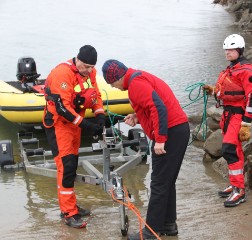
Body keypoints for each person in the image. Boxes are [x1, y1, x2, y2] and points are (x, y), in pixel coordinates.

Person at [102, 59, 190, 240]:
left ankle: (150, 232)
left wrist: (160, 140)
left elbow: (159, 108)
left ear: (118, 77)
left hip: (171, 133)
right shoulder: (138, 77)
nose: (115, 87)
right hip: (177, 130)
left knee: (158, 183)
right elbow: (152, 106)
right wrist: (137, 116)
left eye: (112, 83)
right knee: (166, 182)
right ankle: (168, 225)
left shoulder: (135, 85)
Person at [43, 45, 105, 228]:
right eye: (85, 66)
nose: (88, 71)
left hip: (75, 124)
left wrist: (100, 116)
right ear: (77, 59)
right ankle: (68, 213)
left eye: (91, 67)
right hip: (59, 124)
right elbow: (63, 109)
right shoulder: (63, 73)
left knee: (72, 164)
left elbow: (95, 96)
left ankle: (70, 205)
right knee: (66, 167)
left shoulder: (89, 73)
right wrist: (86, 124)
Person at [203, 34, 252, 207]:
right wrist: (214, 91)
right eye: (226, 49)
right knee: (234, 150)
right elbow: (228, 90)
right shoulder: (231, 69)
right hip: (228, 115)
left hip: (237, 116)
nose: (227, 52)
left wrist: (246, 123)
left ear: (239, 50)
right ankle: (236, 184)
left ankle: (239, 190)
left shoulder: (247, 71)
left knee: (229, 150)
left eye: (231, 49)